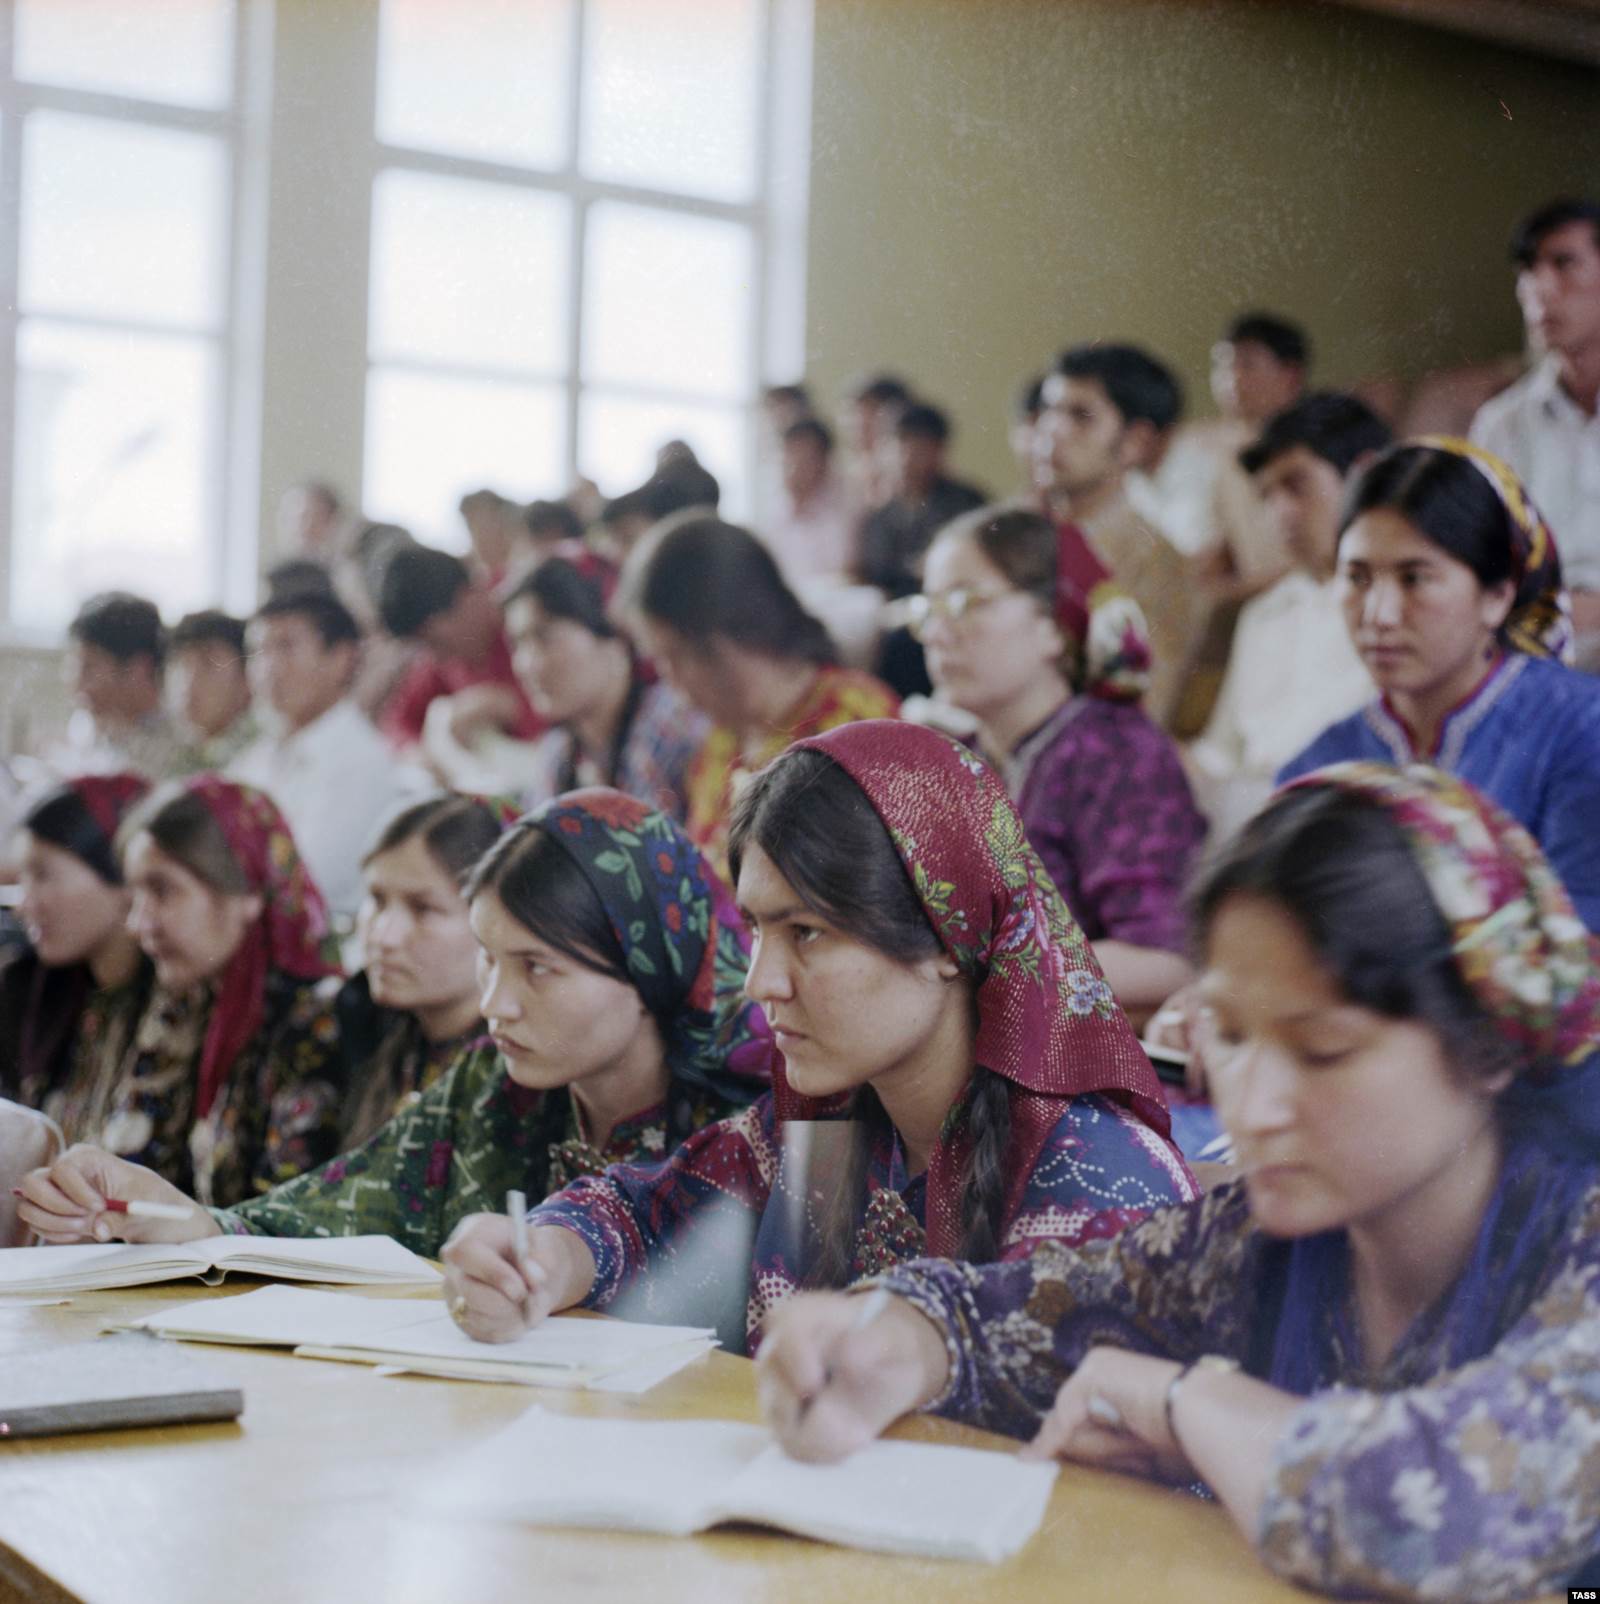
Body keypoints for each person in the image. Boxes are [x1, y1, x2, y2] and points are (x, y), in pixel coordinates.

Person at [756, 763, 1600, 1602]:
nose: (1254, 1107)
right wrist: (893, 1340)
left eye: (1324, 1050)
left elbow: (1451, 1514)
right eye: (1228, 1034)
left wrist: (1188, 1402)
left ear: (1488, 1046)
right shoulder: (1260, 1244)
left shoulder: (1580, 1249)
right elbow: (1023, 1317)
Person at [440, 722, 1196, 1355]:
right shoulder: (821, 1128)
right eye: (758, 930)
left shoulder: (1094, 1180)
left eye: (806, 932)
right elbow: (644, 1211)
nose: (761, 982)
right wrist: (543, 1255)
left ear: (947, 937)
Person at [20, 790, 771, 1259]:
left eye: (538, 968)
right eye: (488, 958)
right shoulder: (492, 1087)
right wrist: (170, 1214)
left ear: (650, 968)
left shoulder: (748, 1125)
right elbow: (328, 1214)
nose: (498, 1003)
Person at [1280, 438, 1600, 932]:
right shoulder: (1319, 768)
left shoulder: (1580, 731)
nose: (1379, 615)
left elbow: (1582, 941)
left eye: (1414, 579)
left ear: (1497, 596)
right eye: (1358, 578)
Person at [914, 507, 1204, 1026]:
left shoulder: (1115, 751)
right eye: (929, 609)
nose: (936, 634)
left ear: (1052, 624)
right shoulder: (959, 757)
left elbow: (1167, 960)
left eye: (965, 603)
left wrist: (973, 978)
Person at [94, 777, 344, 1206]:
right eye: (135, 894)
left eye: (162, 890)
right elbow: (129, 1160)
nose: (138, 923)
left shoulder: (313, 1024)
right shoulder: (186, 1001)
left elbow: (284, 1214)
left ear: (247, 892)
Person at [621, 515, 899, 880]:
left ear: (728, 639)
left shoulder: (853, 719)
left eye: (675, 655)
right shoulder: (719, 743)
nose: (670, 680)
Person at [1186, 393, 1391, 836]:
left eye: (1296, 486)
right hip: (1248, 821)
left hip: (1345, 820)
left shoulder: (1397, 606)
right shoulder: (1263, 615)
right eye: (1267, 495)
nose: (1279, 512)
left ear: (1363, 476)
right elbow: (1220, 753)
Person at [333, 793, 512, 1148]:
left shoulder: (514, 1076)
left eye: (423, 909)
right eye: (377, 899)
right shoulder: (376, 1034)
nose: (384, 937)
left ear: (498, 922)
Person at [1036, 346, 1196, 729]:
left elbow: (1139, 713)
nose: (1052, 429)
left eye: (1081, 416)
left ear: (1135, 442)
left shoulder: (1156, 563)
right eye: (1049, 410)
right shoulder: (1023, 531)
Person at [229, 590, 414, 919]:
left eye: (286, 647)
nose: (268, 668)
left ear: (341, 658)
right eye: (258, 652)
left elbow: (310, 881)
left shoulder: (361, 763)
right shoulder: (255, 759)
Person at [1471, 198, 1600, 665]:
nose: (1539, 288)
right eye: (1528, 270)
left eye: (1564, 264)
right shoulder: (1500, 424)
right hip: (1539, 647)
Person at [494, 547, 706, 820]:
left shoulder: (673, 729)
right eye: (517, 644)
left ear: (611, 633)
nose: (526, 664)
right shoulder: (558, 756)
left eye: (544, 637)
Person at [0, 776, 153, 1134]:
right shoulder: (27, 991)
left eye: (43, 875)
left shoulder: (181, 1014)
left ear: (123, 875)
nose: (24, 905)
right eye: (23, 879)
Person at [374, 545, 545, 758]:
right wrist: (419, 755)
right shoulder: (442, 659)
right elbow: (397, 722)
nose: (435, 656)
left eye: (436, 642)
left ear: (468, 597)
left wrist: (510, 706)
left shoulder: (531, 610)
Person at [56, 592, 179, 779]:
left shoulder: (179, 747)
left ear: (138, 670)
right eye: (72, 667)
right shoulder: (85, 726)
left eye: (89, 669)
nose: (76, 684)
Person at [765, 418, 858, 585]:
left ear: (825, 462)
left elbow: (847, 572)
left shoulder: (847, 513)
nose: (795, 466)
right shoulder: (773, 513)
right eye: (790, 455)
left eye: (806, 458)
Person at [166, 610, 259, 775]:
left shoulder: (259, 757)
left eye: (208, 664)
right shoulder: (174, 756)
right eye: (183, 664)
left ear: (246, 678)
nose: (189, 682)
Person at [457, 489, 521, 587]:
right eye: (471, 527)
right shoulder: (473, 581)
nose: (478, 537)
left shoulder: (526, 572)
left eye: (484, 526)